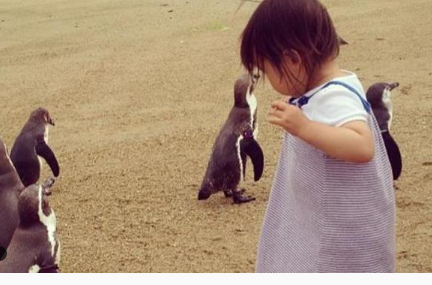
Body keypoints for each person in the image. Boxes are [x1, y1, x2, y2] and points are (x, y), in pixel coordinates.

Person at [240, 0, 395, 272]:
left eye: (266, 70)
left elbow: (362, 146)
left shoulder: (335, 95)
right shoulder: (321, 90)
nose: (267, 80)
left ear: (293, 59)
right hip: (323, 220)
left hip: (340, 236)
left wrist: (305, 128)